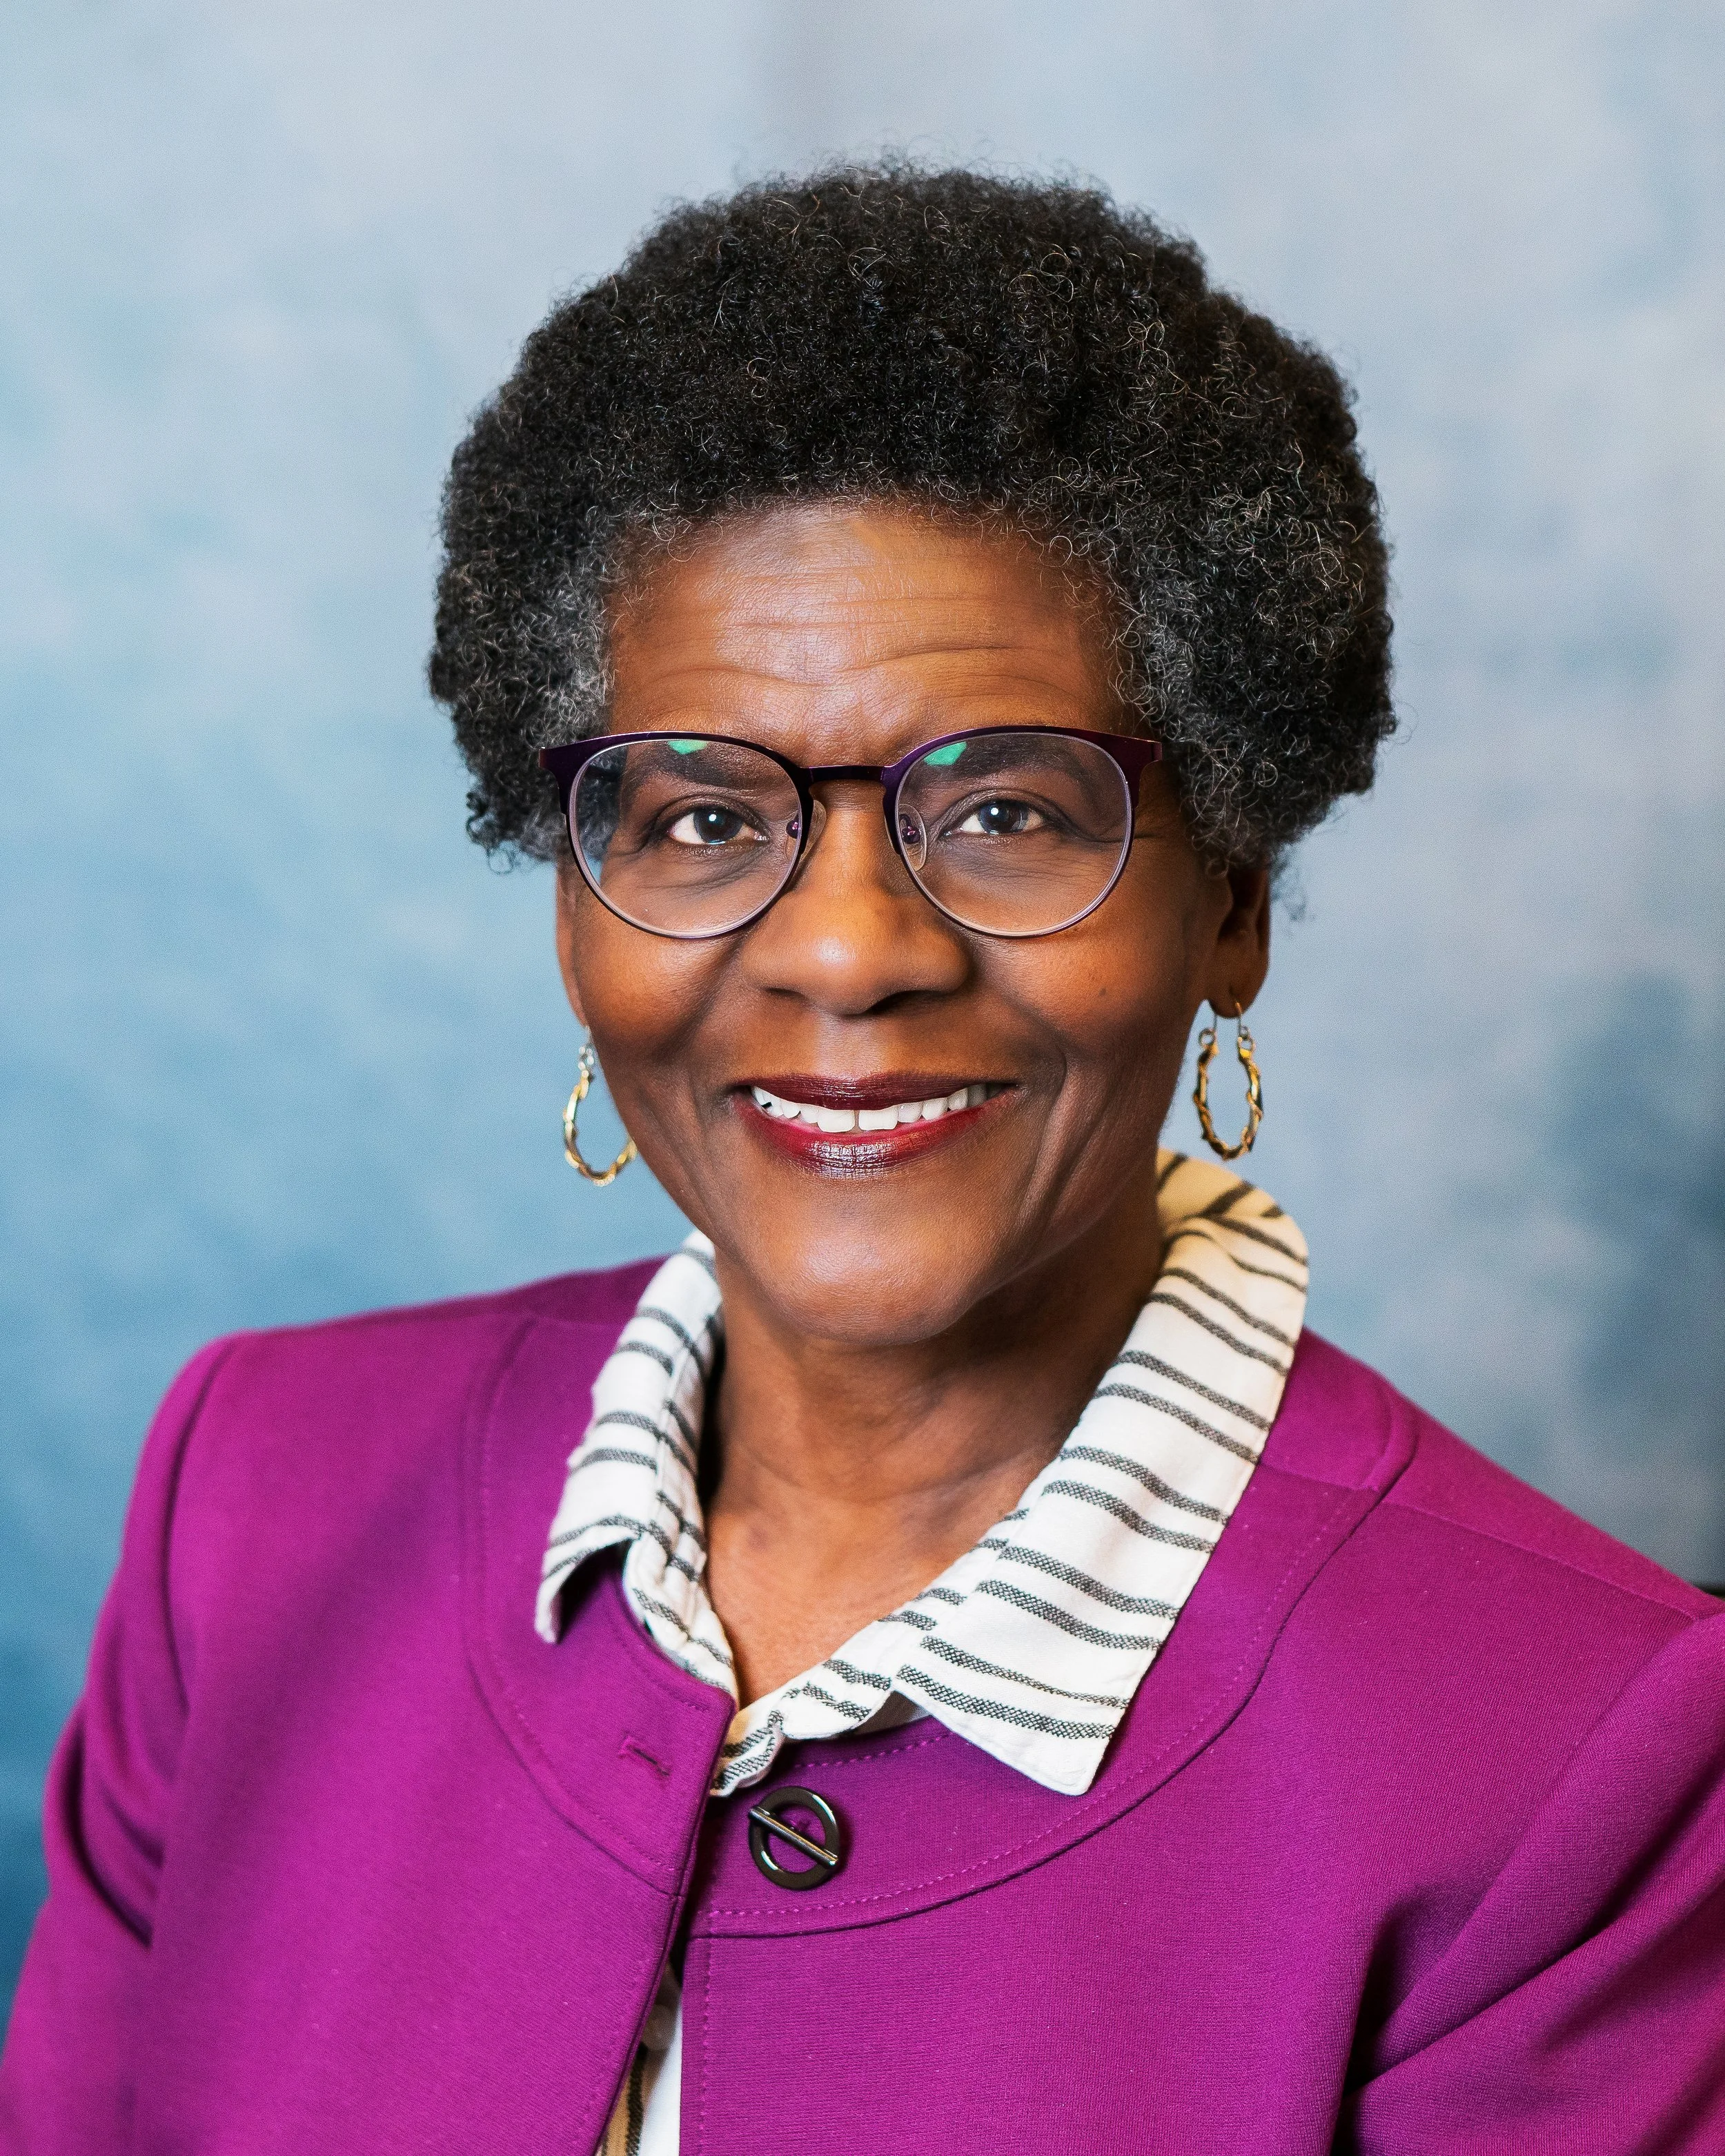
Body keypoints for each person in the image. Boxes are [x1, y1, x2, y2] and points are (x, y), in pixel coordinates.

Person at [3, 167, 1722, 2155]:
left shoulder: (1588, 1754)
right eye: (702, 820)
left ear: (1230, 897)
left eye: (1003, 810)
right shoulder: (258, 1496)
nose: (842, 950)